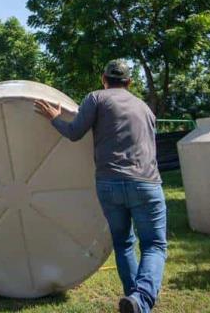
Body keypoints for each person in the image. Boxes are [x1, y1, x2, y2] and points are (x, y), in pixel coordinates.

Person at [34, 60, 166, 313]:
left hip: (109, 183)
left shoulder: (96, 98)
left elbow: (74, 133)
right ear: (129, 82)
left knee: (124, 242)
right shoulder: (145, 108)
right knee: (154, 245)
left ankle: (135, 300)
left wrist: (54, 118)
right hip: (145, 182)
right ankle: (141, 299)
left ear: (103, 79)